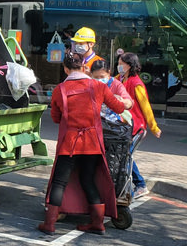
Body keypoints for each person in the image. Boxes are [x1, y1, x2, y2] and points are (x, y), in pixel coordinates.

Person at [38, 52, 126, 236]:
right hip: (92, 143)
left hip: (69, 144)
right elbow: (118, 108)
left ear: (66, 69)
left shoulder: (60, 89)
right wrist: (128, 102)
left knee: (59, 183)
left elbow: (55, 118)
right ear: (84, 67)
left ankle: (50, 224)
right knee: (88, 180)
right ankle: (97, 224)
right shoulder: (97, 86)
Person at [117, 52, 162, 198]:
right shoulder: (119, 79)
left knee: (126, 155)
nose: (118, 65)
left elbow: (146, 107)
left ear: (129, 65)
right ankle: (137, 185)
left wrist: (154, 127)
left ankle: (140, 185)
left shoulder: (136, 84)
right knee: (125, 155)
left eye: (121, 63)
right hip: (125, 126)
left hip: (136, 127)